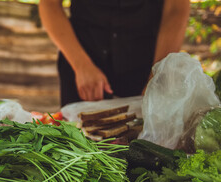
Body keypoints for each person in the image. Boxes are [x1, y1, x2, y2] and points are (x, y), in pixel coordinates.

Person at [38, 0, 190, 106]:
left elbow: (176, 8)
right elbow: (49, 4)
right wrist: (82, 66)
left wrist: (158, 74)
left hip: (147, 62)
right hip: (81, 61)